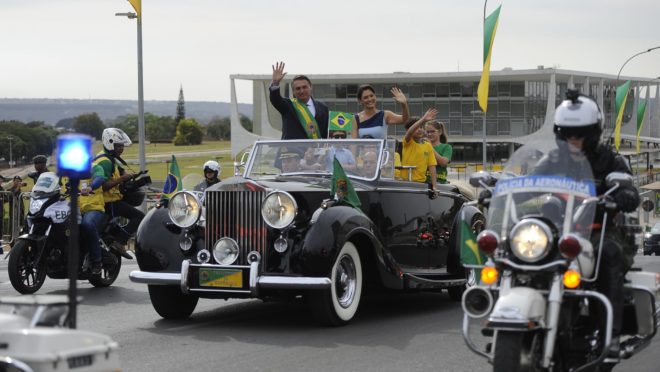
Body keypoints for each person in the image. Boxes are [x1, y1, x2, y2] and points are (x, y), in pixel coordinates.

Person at [533, 90, 640, 348]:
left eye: (580, 133)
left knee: (608, 255)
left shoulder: (611, 159)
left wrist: (621, 197)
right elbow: (530, 184)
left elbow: (631, 193)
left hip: (602, 230)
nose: (574, 138)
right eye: (567, 133)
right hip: (559, 231)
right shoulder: (552, 160)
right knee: (526, 251)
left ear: (593, 132)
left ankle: (609, 335)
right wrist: (502, 192)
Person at [95, 128, 143, 259]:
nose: (121, 149)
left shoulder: (109, 158)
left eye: (122, 146)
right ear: (109, 143)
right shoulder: (105, 161)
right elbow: (103, 186)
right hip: (108, 202)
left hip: (110, 200)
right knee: (139, 217)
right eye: (118, 146)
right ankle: (120, 241)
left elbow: (115, 178)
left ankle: (111, 239)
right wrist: (122, 179)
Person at [269, 61, 329, 140]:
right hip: (292, 151)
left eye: (304, 87)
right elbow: (275, 99)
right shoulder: (288, 106)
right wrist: (275, 83)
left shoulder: (323, 108)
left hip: (315, 151)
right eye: (298, 88)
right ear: (293, 91)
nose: (301, 91)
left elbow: (324, 134)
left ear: (311, 87)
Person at [78, 166, 107, 275]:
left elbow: (99, 178)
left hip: (93, 207)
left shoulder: (95, 167)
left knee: (87, 224)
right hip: (73, 208)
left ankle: (96, 262)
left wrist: (90, 187)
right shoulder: (69, 171)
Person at [402, 109, 438, 191]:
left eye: (421, 127)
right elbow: (410, 133)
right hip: (405, 183)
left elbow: (432, 166)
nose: (419, 129)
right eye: (416, 127)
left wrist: (434, 186)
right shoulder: (408, 142)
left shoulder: (428, 145)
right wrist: (423, 119)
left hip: (421, 184)